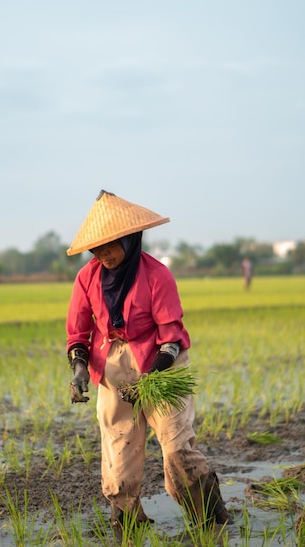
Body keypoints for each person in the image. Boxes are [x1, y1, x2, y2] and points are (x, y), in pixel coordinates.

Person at [66, 190, 232, 535]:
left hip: (161, 364)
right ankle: (127, 523)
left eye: (110, 245)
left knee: (175, 446)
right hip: (113, 364)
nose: (103, 254)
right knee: (119, 447)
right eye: (96, 248)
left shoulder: (157, 275)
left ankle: (211, 519)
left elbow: (171, 336)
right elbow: (77, 333)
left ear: (129, 239)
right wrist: (80, 369)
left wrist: (148, 380)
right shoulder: (86, 278)